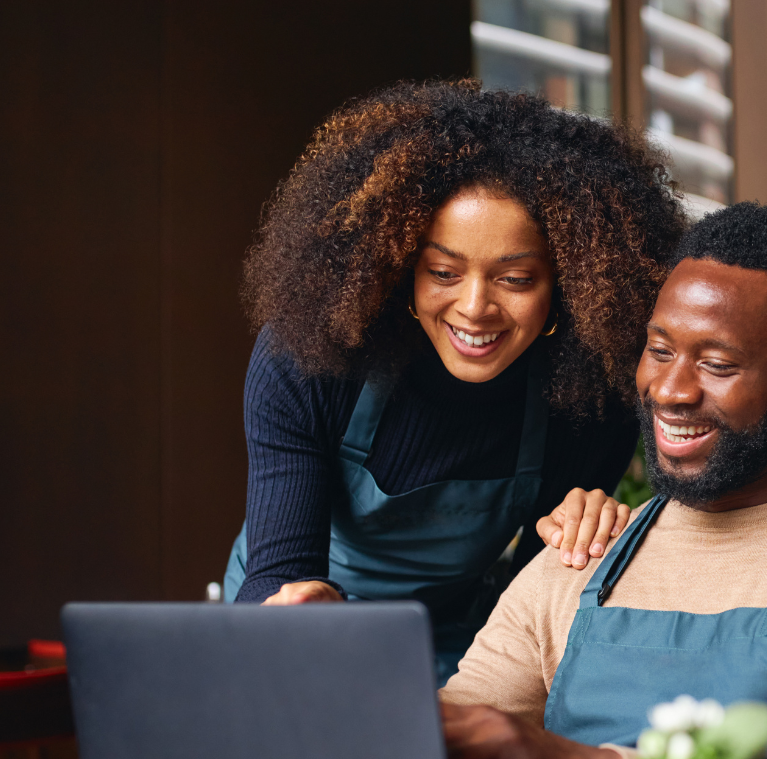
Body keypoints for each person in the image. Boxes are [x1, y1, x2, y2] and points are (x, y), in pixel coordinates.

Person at [1, 204, 767, 759]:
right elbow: (414, 755)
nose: (670, 391)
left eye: (716, 364)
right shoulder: (581, 555)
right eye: (659, 350)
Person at [222, 80, 687, 682]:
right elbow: (278, 569)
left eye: (515, 279)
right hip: (294, 628)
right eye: (443, 271)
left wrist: (582, 539)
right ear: (398, 266)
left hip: (451, 644)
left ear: (569, 287)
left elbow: (530, 606)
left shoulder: (589, 399)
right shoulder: (310, 358)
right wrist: (295, 607)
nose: (474, 308)